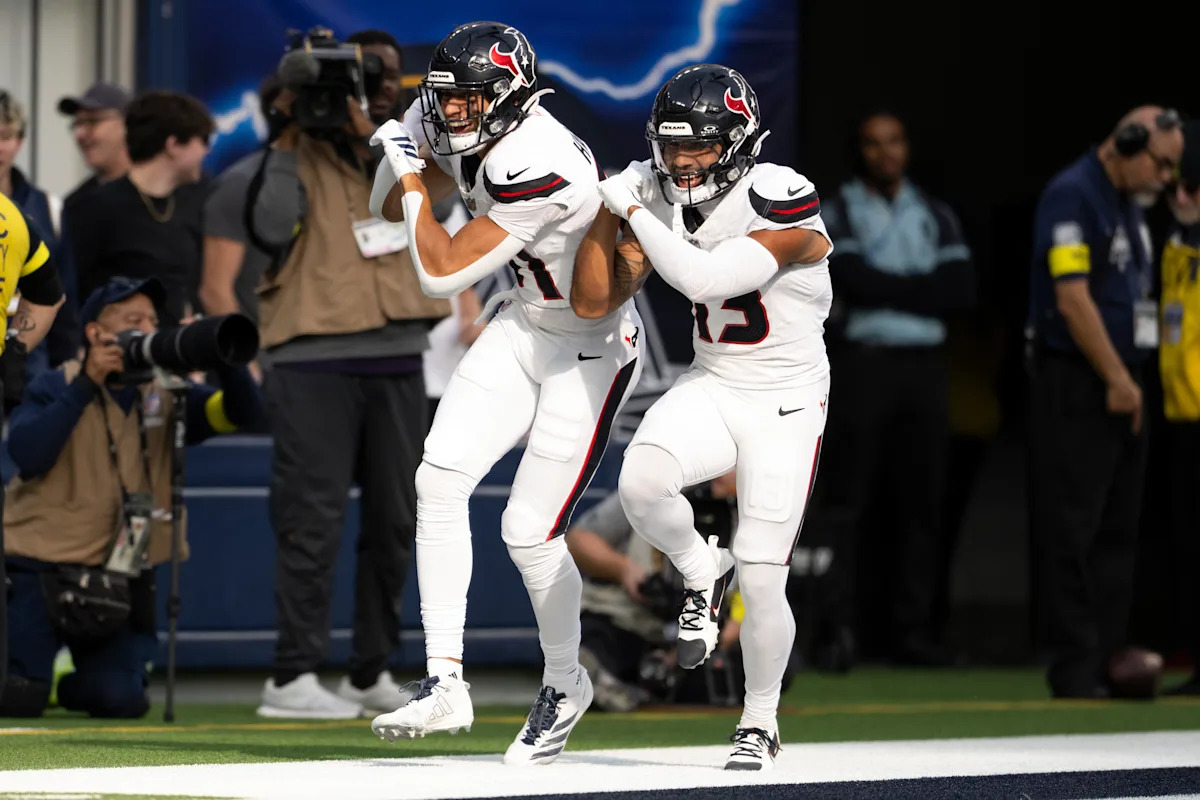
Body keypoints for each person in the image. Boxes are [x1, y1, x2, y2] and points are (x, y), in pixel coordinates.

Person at [367, 22, 643, 765]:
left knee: (526, 530)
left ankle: (565, 681)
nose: (453, 113)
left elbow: (441, 271)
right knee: (439, 478)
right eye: (447, 98)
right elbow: (400, 142)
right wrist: (392, 184)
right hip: (524, 321)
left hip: (587, 347)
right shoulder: (454, 114)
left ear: (512, 97)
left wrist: (413, 183)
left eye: (470, 100)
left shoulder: (537, 160)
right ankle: (445, 681)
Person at [573, 64, 832, 770]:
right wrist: (608, 212)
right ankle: (698, 570)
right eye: (673, 146)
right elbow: (594, 301)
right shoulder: (654, 191)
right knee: (640, 485)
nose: (682, 162)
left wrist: (630, 209)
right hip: (714, 380)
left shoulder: (781, 193)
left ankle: (760, 718)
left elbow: (707, 279)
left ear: (741, 141)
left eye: (701, 147)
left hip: (783, 397)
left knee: (765, 569)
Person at [249, 30, 451, 720]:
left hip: (399, 357)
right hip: (313, 361)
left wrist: (377, 132)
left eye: (383, 76)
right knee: (314, 522)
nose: (372, 87)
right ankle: (293, 676)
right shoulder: (289, 152)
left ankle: (372, 672)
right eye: (358, 77)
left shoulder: (402, 148)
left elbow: (444, 200)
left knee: (398, 521)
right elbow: (268, 223)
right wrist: (289, 119)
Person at [0, 276, 261, 718]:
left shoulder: (168, 395)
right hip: (39, 573)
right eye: (131, 321)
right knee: (20, 698)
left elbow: (243, 413)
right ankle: (34, 666)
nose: (145, 330)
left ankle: (71, 681)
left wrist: (222, 354)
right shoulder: (55, 384)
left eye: (151, 321)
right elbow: (27, 453)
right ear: (95, 333)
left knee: (122, 701)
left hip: (117, 579)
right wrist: (87, 383)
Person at [1025, 106, 1183, 699]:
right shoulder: (1074, 195)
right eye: (1161, 163)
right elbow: (1072, 299)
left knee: (1119, 526)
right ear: (1129, 143)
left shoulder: (1129, 205)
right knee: (1076, 526)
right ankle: (1073, 664)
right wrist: (1117, 378)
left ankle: (1107, 656)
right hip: (1081, 381)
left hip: (1124, 382)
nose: (1165, 178)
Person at [816, 110, 975, 666]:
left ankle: (914, 633)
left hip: (925, 369)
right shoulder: (838, 209)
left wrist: (886, 289)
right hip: (867, 364)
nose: (885, 153)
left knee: (923, 502)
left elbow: (960, 288)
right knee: (851, 501)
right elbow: (850, 279)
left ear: (907, 147)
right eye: (873, 144)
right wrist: (916, 289)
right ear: (859, 151)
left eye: (894, 142)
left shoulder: (934, 211)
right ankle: (841, 632)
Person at [67, 91, 213, 325]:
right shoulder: (94, 206)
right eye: (202, 141)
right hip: (117, 349)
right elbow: (68, 286)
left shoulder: (197, 198)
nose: (206, 151)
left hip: (177, 349)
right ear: (173, 144)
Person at [0, 191, 67, 701]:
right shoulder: (10, 215)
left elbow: (48, 293)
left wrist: (15, 347)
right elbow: (48, 294)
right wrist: (16, 346)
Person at [1159, 120, 1200, 697]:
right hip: (1182, 412)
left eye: (1193, 186)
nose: (1182, 197)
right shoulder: (1174, 243)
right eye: (1176, 186)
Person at [0, 90, 80, 376]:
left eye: (6, 136)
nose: (0, 147)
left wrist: (66, 367)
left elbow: (65, 294)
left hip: (33, 368)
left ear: (20, 142)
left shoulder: (49, 207)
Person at [199, 75, 284, 332]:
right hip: (272, 355)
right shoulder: (241, 184)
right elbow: (215, 291)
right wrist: (247, 365)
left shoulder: (358, 178)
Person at [57, 83, 132, 214]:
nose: (79, 134)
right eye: (77, 124)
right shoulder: (76, 205)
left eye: (93, 121)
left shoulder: (158, 194)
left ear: (127, 124)